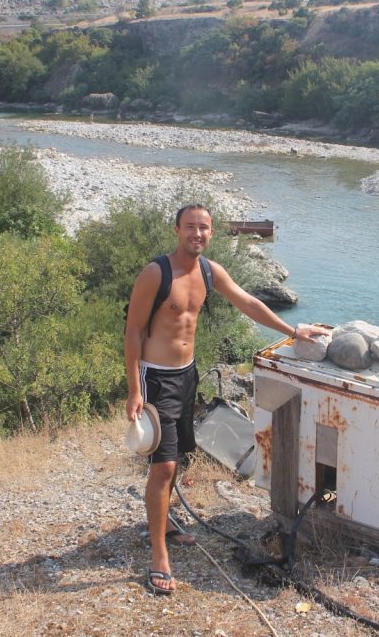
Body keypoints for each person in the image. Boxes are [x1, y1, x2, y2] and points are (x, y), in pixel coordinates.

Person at [124, 203, 320, 596]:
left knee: (180, 455)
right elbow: (132, 331)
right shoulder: (156, 273)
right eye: (190, 227)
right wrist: (134, 389)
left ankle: (165, 522)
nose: (197, 234)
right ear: (177, 229)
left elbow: (248, 303)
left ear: (212, 233)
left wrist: (292, 330)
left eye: (204, 228)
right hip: (157, 379)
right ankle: (159, 553)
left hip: (187, 374)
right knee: (162, 467)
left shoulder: (210, 272)